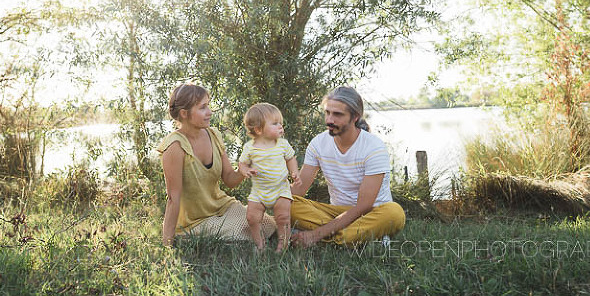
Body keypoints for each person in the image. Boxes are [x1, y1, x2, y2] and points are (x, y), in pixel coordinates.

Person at [160, 84, 276, 246]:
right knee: (242, 230)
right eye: (202, 108)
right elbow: (173, 198)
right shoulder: (175, 147)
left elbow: (229, 179)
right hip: (195, 221)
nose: (209, 112)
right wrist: (167, 244)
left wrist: (243, 168)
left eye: (208, 105)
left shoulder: (213, 135)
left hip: (222, 207)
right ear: (184, 113)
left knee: (265, 222)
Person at [290, 86, 406, 247]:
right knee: (287, 203)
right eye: (327, 113)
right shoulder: (318, 143)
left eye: (337, 114)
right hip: (336, 213)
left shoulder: (374, 147)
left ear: (355, 117)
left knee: (394, 213)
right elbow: (299, 190)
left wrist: (315, 234)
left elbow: (364, 206)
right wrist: (268, 192)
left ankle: (325, 237)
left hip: (371, 213)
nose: (329, 120)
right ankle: (352, 237)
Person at [238, 103, 302, 251]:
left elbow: (290, 158)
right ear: (258, 129)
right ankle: (260, 244)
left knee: (283, 218)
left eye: (280, 123)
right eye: (275, 123)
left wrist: (294, 172)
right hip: (259, 191)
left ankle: (283, 245)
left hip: (280, 189)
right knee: (252, 218)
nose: (280, 126)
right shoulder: (250, 148)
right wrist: (246, 170)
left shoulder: (282, 144)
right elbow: (242, 164)